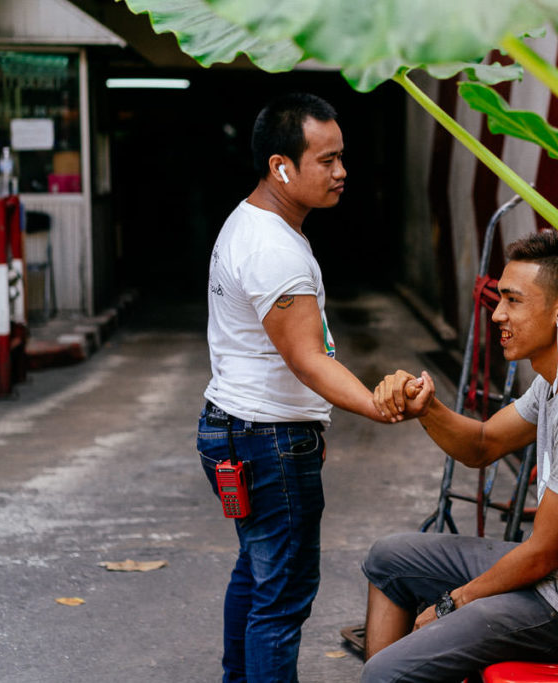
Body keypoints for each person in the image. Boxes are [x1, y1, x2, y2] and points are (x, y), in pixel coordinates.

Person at [361, 230, 558, 682]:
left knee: (385, 674)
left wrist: (454, 602)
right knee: (389, 558)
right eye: (500, 298)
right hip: (553, 576)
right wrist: (428, 407)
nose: (497, 314)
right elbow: (483, 444)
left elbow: (541, 555)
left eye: (513, 301)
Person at [196, 92, 400, 682]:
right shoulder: (272, 247)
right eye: (327, 160)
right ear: (281, 167)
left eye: (342, 158)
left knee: (257, 573)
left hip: (241, 428)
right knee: (281, 596)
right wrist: (375, 404)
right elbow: (309, 360)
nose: (342, 173)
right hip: (266, 440)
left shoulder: (255, 222)